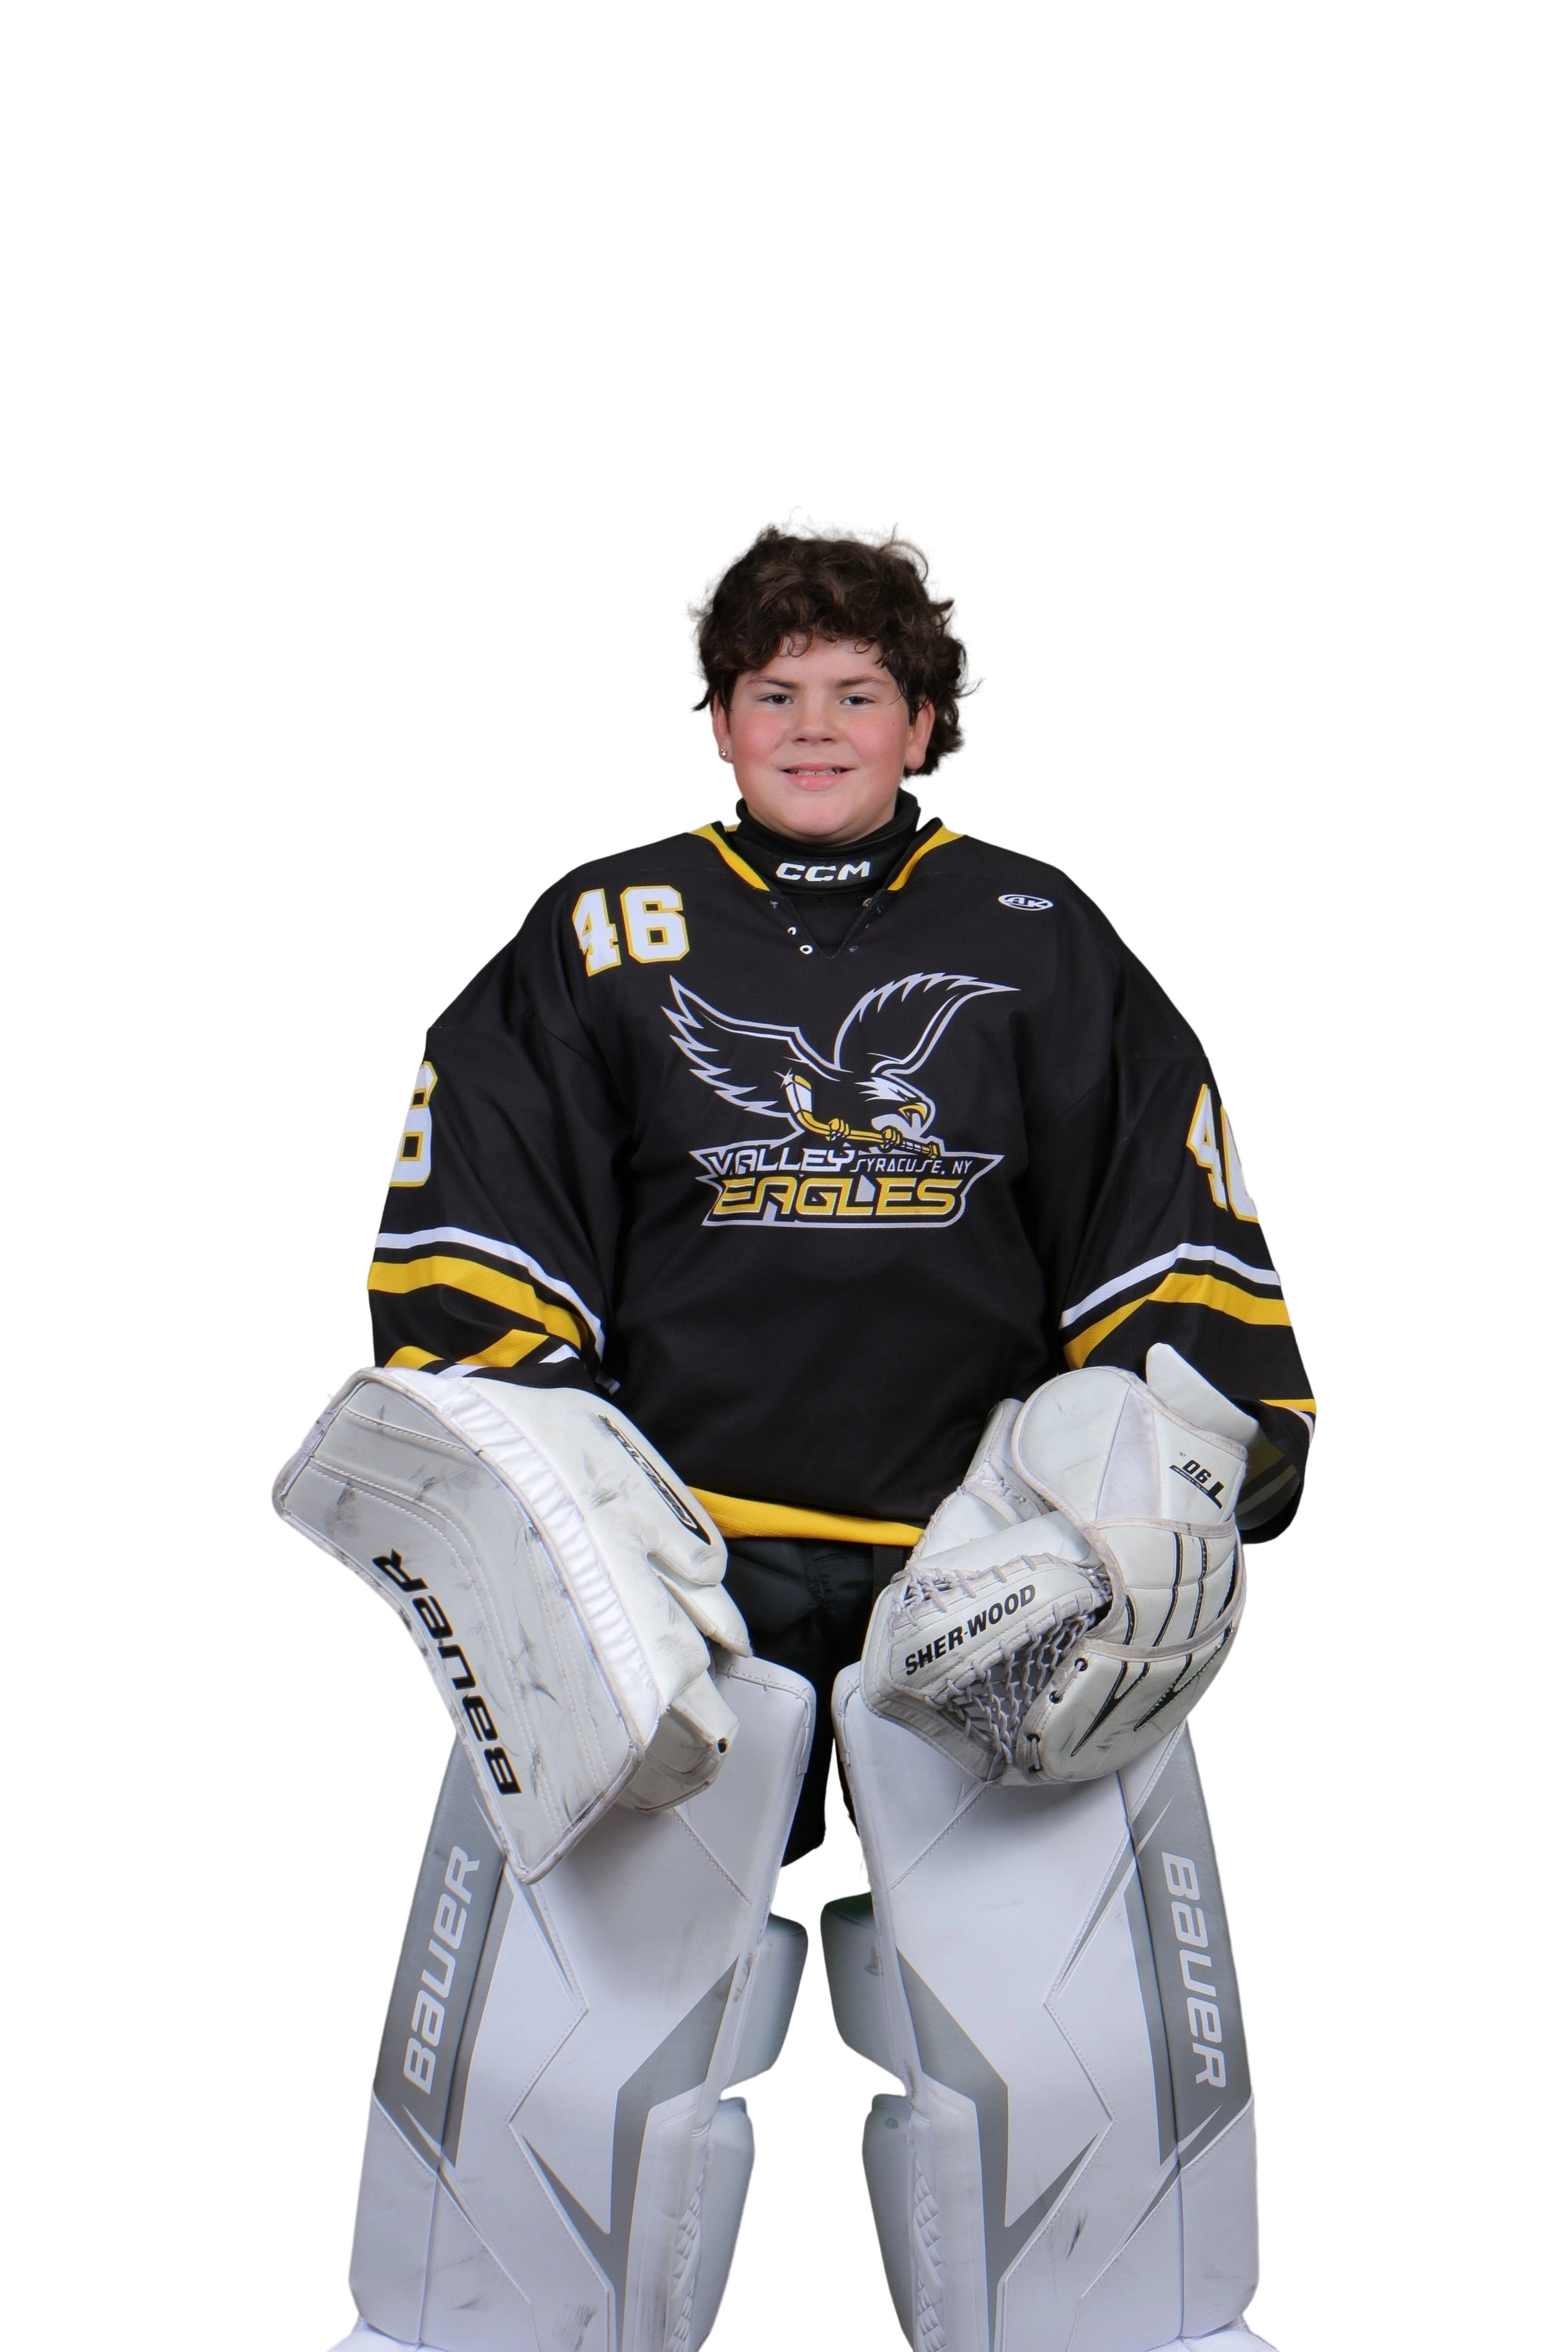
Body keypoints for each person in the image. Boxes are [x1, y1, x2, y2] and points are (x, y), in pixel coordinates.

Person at [273, 507, 1317, 2352]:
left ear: (926, 721)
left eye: (857, 691)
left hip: (990, 1588)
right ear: (717, 716)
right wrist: (544, 1515)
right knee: (555, 2100)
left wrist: (1176, 1479)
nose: (814, 726)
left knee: (1068, 2107)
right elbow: (480, 1250)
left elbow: (1167, 1243)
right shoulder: (605, 931)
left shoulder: (1039, 932)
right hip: (673, 1594)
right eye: (775, 692)